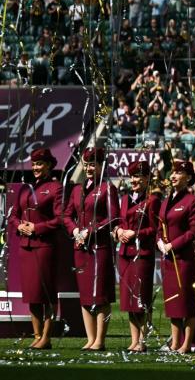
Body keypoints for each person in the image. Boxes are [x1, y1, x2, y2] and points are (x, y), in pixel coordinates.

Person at [64, 147, 119, 351]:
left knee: (101, 295)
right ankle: (90, 338)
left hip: (100, 247)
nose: (88, 168)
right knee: (85, 295)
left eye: (92, 164)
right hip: (80, 247)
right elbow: (66, 215)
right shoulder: (77, 190)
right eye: (86, 164)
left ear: (100, 166)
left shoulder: (107, 188)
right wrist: (76, 229)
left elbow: (113, 217)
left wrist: (90, 230)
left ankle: (100, 340)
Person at [9, 147, 62, 349]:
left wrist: (37, 228)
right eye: (34, 164)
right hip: (26, 248)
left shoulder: (56, 188)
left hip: (45, 246)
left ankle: (46, 337)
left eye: (40, 164)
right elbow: (13, 215)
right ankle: (37, 334)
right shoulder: (25, 188)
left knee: (46, 293)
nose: (36, 167)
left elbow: (60, 219)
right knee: (32, 294)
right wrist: (19, 225)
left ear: (49, 165)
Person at [115, 161, 160, 352]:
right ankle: (134, 340)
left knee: (142, 298)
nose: (134, 180)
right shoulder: (125, 199)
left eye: (138, 177)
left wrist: (136, 233)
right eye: (132, 176)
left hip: (142, 254)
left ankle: (142, 340)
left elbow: (155, 228)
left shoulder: (153, 200)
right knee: (129, 300)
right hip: (124, 253)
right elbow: (118, 221)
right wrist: (118, 231)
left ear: (147, 179)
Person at [158, 161, 195, 354]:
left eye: (179, 172)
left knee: (187, 302)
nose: (173, 175)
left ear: (188, 178)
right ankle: (175, 343)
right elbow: (160, 226)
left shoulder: (192, 200)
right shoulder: (167, 200)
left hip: (184, 260)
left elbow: (194, 230)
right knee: (173, 302)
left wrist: (172, 245)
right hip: (167, 259)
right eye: (172, 172)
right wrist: (159, 242)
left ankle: (186, 344)